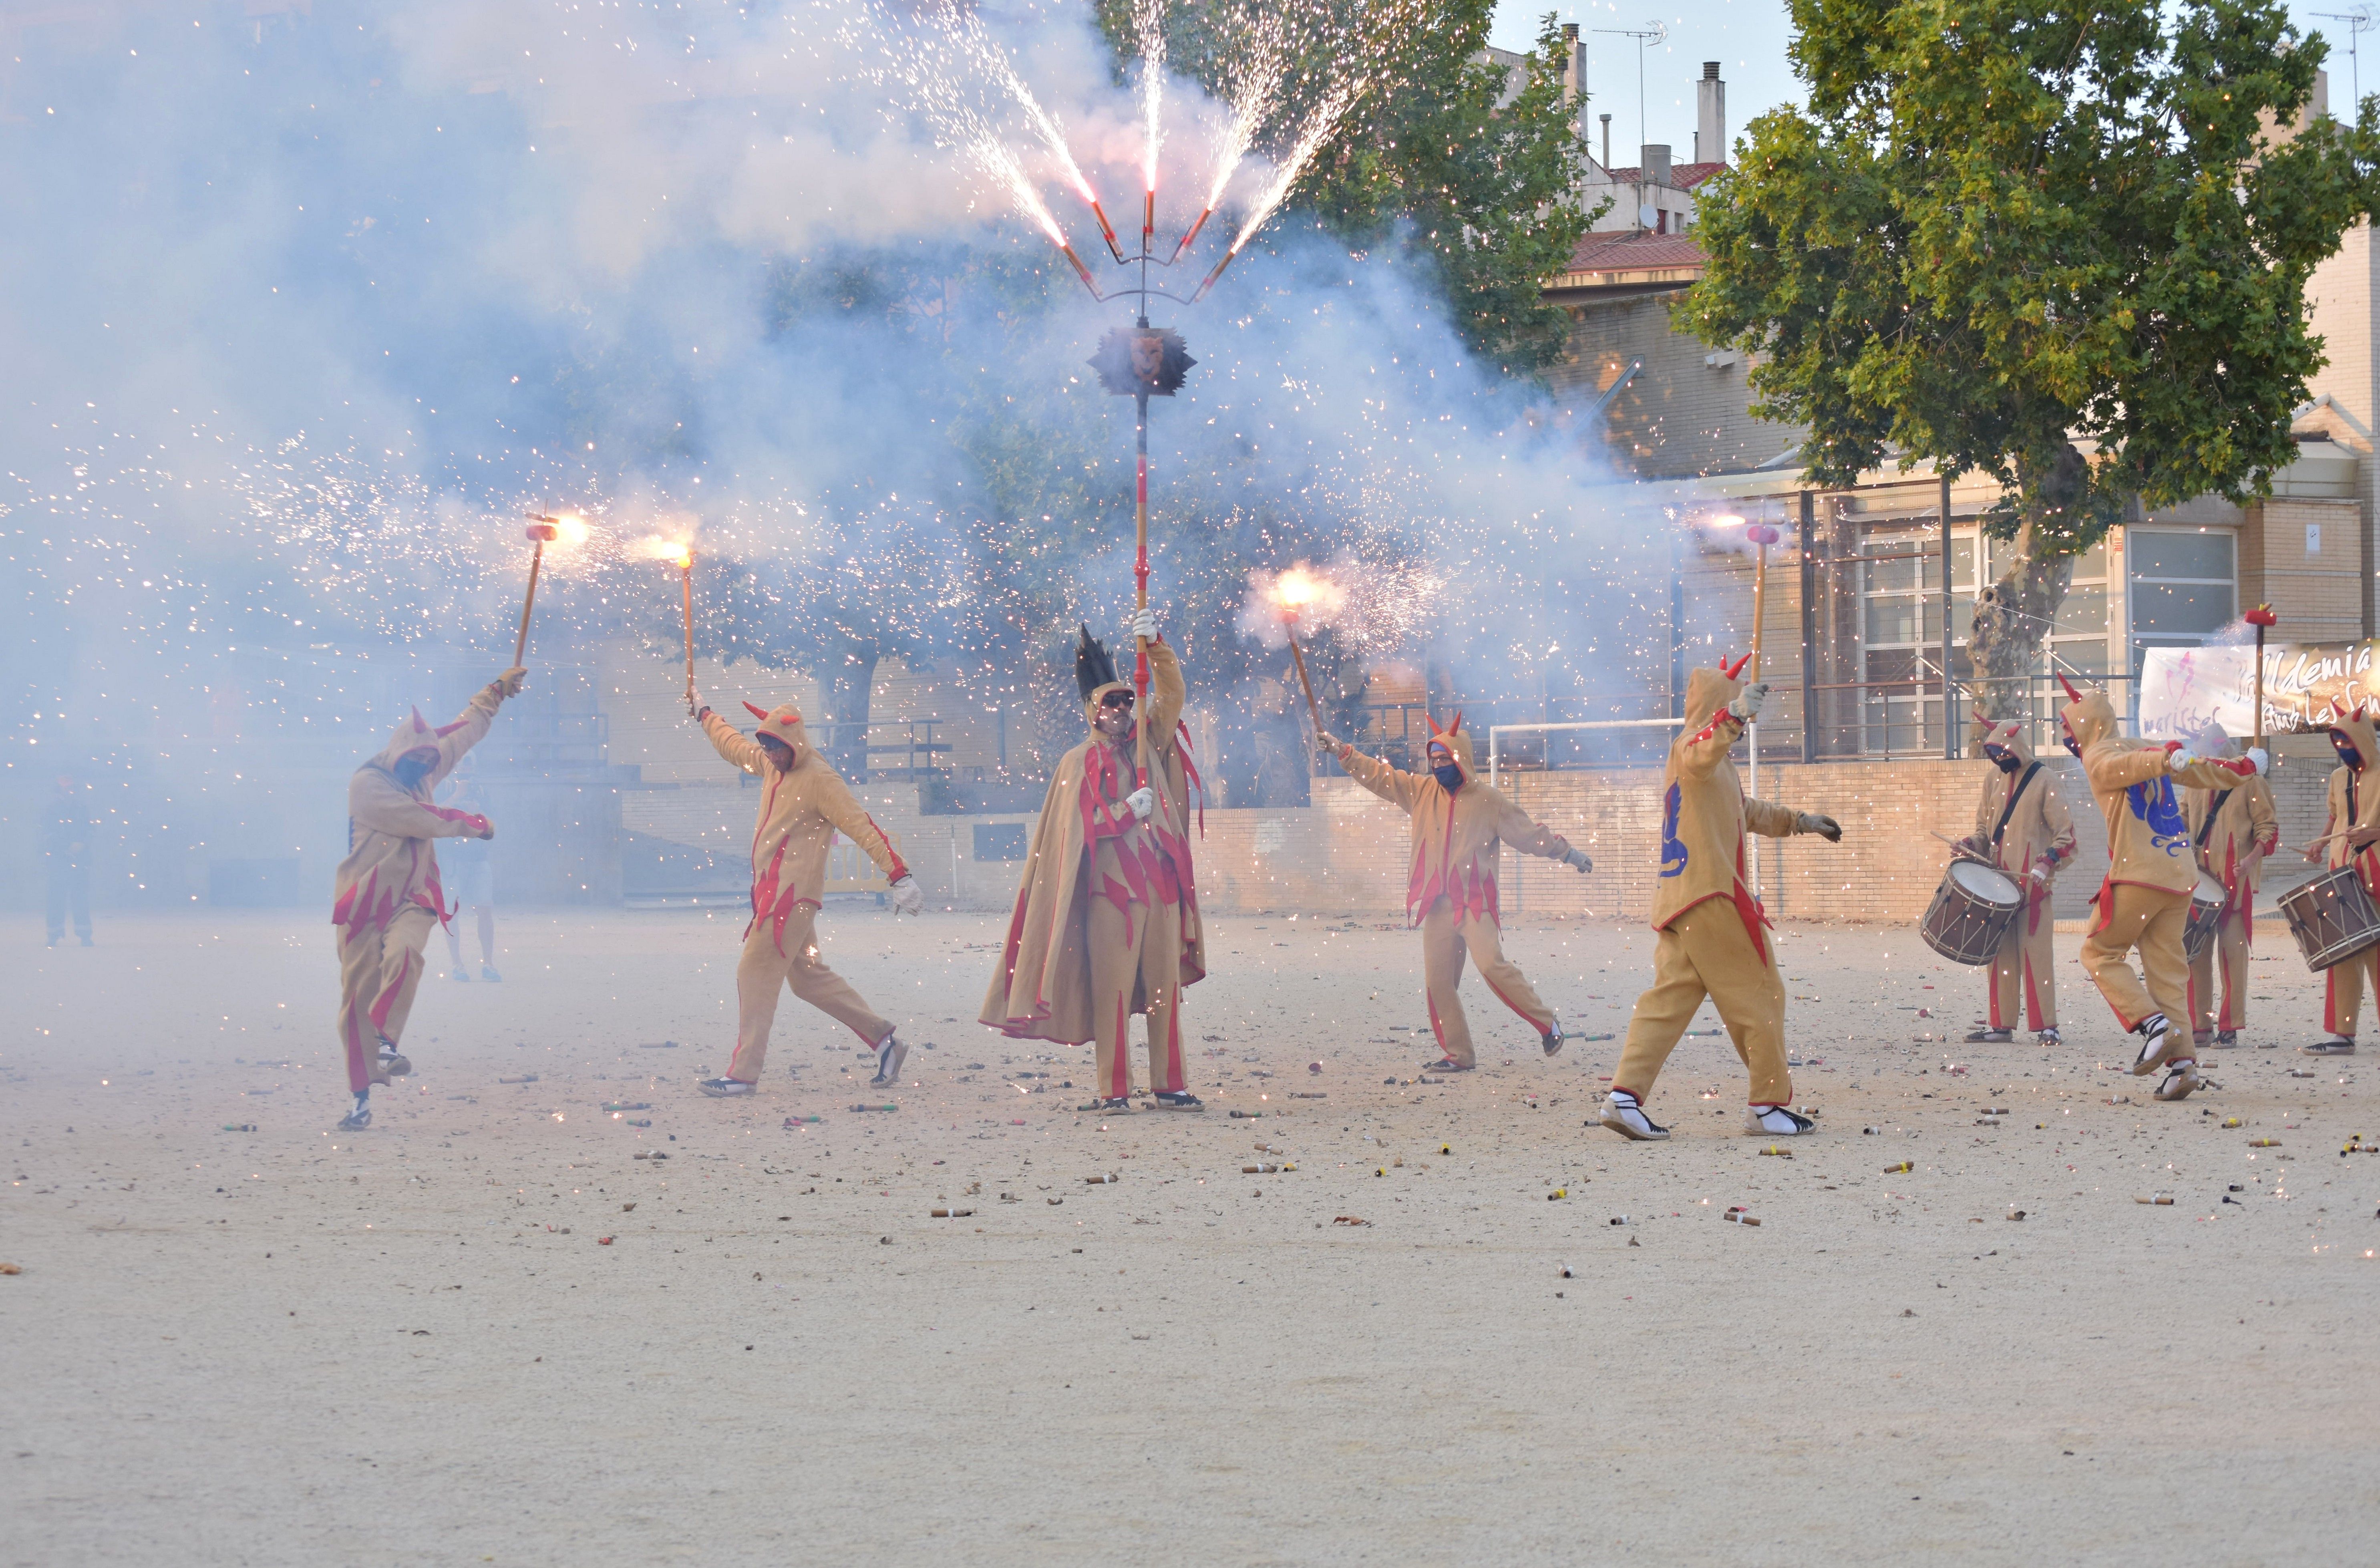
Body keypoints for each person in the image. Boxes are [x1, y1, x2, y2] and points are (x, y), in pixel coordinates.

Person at [1598, 657, 1843, 1140]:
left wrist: (1799, 821)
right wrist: (1733, 716)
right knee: (1762, 993)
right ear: (1718, 708)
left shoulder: (1712, 767)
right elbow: (1701, 752)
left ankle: (1624, 1099)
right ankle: (1767, 1105)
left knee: (1666, 1004)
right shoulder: (1693, 749)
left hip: (1680, 900)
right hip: (1711, 896)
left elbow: (1746, 812)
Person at [981, 611, 1207, 1112]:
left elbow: (1173, 694)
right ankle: (1114, 1091)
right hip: (1113, 900)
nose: (1125, 707)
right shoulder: (1076, 761)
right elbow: (1078, 829)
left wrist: (1156, 645)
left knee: (1165, 995)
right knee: (1113, 996)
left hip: (1162, 894)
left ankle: (1170, 1085)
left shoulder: (1150, 741)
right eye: (1114, 701)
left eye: (1129, 699)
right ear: (1093, 710)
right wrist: (1128, 811)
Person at [1315, 711, 1591, 1072]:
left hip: (1475, 902)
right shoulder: (1419, 790)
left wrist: (1567, 853)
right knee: (1437, 982)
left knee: (1492, 964)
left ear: (1461, 759)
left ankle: (1547, 1024)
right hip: (1437, 904)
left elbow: (1528, 834)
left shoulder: (1489, 800)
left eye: (1445, 759)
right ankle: (1459, 1055)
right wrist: (1342, 751)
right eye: (1434, 760)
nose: (1438, 765)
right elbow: (1380, 777)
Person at [689, 691, 923, 1097]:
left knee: (754, 971)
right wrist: (704, 714)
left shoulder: (820, 777)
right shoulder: (768, 764)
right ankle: (885, 1042)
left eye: (776, 748)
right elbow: (733, 746)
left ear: (793, 743)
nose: (769, 756)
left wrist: (898, 875)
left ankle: (743, 1074)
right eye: (766, 747)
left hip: (790, 899)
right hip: (775, 895)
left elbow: (861, 826)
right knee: (809, 981)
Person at [331, 668, 524, 1130]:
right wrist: (474, 823)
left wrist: (497, 692)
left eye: (428, 765)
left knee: (406, 954)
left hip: (413, 895)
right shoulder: (368, 786)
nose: (424, 772)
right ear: (399, 755)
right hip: (363, 903)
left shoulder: (426, 761)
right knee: (355, 1000)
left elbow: (466, 728)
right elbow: (423, 818)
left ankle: (386, 1040)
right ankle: (360, 1099)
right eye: (416, 766)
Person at [2060, 675, 2267, 1099]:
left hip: (2140, 873)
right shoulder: (2140, 746)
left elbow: (2124, 767)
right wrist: (2242, 770)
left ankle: (2154, 1025)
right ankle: (2183, 1067)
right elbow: (2194, 770)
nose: (2066, 736)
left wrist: (2172, 760)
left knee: (2098, 952)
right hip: (2181, 876)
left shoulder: (2102, 755)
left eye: (2067, 727)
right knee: (2169, 973)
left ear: (2085, 723)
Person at [1958, 715, 2075, 1046]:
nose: (1999, 760)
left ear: (2015, 747)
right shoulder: (1991, 779)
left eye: (2003, 753)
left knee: (2036, 955)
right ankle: (2001, 1025)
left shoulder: (2046, 779)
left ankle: (2046, 1026)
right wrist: (1970, 844)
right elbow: (1984, 831)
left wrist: (2048, 860)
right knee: (1999, 957)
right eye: (1995, 754)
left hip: (2033, 887)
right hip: (1996, 886)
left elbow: (2066, 838)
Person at [2180, 720, 2277, 1050]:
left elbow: (2268, 827)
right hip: (2200, 880)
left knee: (2232, 957)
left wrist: (2249, 861)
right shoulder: (2193, 781)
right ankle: (2200, 1024)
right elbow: (2180, 820)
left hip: (2235, 881)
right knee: (2195, 956)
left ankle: (2229, 1025)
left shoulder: (2249, 780)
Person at [2303, 707, 2380, 1055]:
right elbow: (2335, 815)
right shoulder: (2337, 777)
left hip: (2375, 871)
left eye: (2346, 739)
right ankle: (2341, 1035)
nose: (2341, 747)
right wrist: (2319, 845)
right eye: (2336, 741)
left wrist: (2374, 833)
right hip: (2340, 870)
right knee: (2343, 952)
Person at [439, 770, 501, 981]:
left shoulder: (481, 791)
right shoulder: (443, 787)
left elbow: (493, 826)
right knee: (451, 912)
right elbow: (434, 817)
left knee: (485, 909)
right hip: (452, 861)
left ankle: (489, 964)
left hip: (478, 859)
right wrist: (456, 797)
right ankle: (457, 964)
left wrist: (479, 813)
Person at [44, 772, 95, 948]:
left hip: (80, 860)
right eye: (67, 788)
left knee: (80, 898)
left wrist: (81, 845)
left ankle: (85, 935)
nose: (70, 791)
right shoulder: (51, 810)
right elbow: (47, 834)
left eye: (72, 788)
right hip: (58, 859)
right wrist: (65, 847)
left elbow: (89, 830)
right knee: (56, 898)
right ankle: (54, 934)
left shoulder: (81, 808)